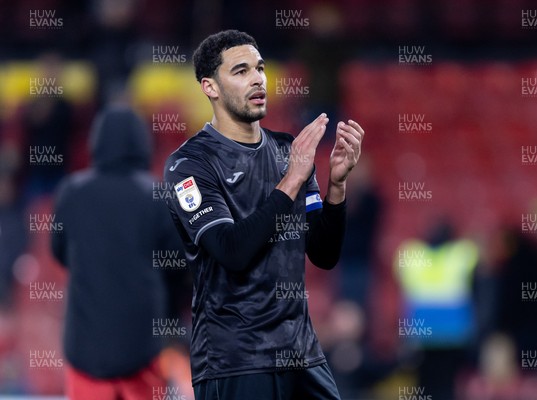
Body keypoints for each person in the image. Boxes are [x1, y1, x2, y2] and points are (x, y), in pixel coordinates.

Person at [163, 30, 365, 399]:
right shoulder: (190, 165)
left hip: (302, 355)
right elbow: (232, 251)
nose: (257, 78)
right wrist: (291, 180)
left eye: (259, 68)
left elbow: (324, 253)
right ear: (210, 87)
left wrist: (337, 185)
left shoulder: (288, 151)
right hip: (235, 360)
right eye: (240, 71)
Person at [51, 107, 179, 400]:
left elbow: (60, 253)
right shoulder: (156, 195)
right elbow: (178, 263)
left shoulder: (71, 191)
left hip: (84, 349)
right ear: (141, 143)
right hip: (143, 349)